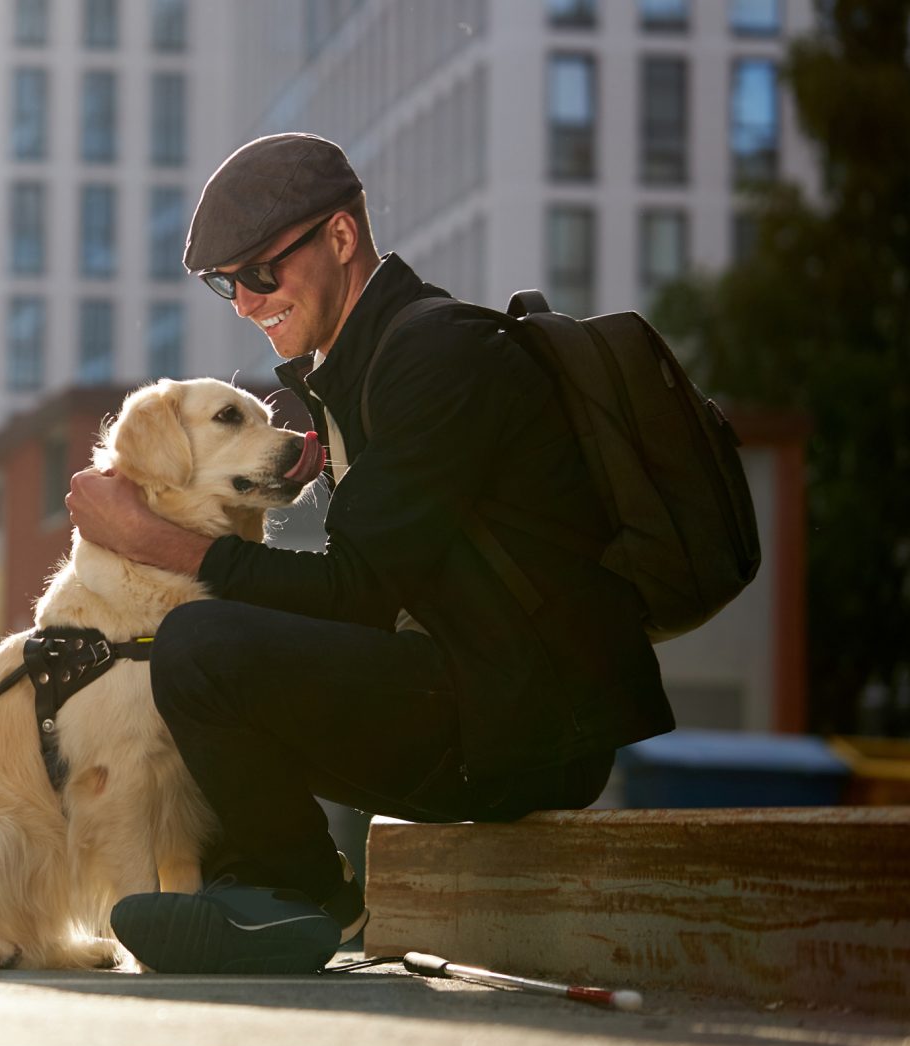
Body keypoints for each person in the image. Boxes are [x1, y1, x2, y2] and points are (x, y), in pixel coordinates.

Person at [66, 133, 674, 974]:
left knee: (200, 647)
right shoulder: (365, 372)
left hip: (526, 729)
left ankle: (300, 893)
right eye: (225, 283)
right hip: (474, 694)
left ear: (342, 241)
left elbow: (354, 591)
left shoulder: (437, 357)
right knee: (211, 642)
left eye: (260, 273)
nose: (244, 301)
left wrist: (152, 541)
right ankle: (265, 889)